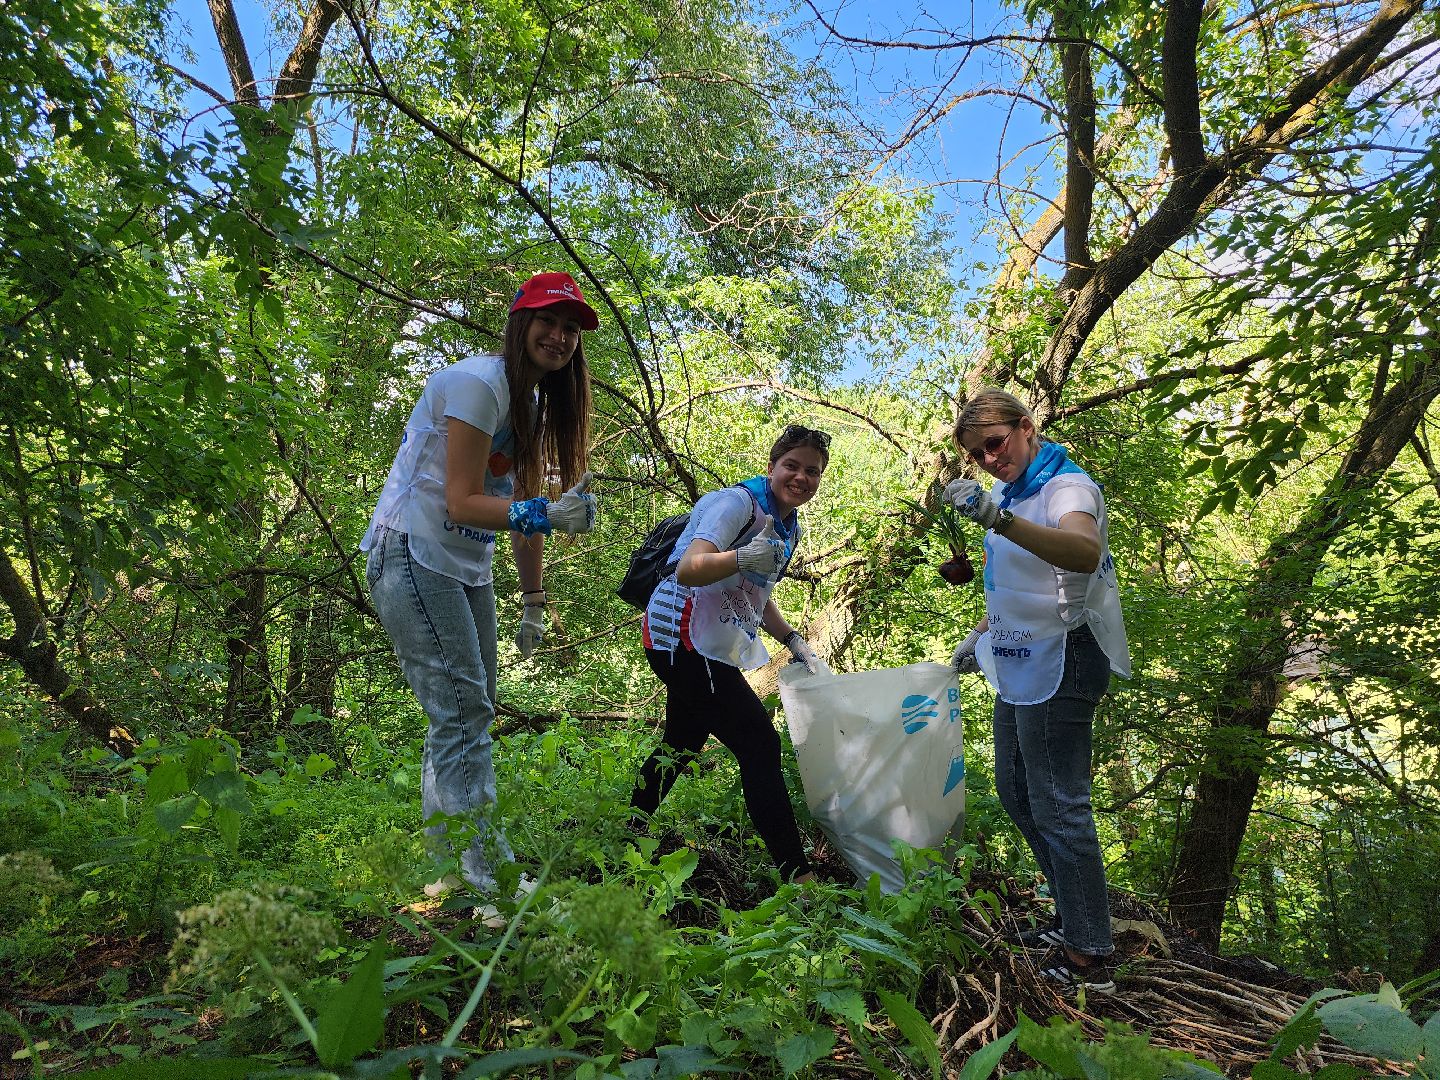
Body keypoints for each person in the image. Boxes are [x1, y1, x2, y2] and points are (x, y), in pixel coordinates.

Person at [362, 271, 600, 898]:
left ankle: (447, 870)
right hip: (412, 553)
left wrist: (534, 599)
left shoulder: (532, 407)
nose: (559, 337)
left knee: (465, 713)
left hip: (464, 566)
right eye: (547, 321)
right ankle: (492, 879)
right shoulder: (478, 385)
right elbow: (463, 501)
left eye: (570, 329)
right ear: (521, 323)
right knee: (464, 712)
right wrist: (547, 512)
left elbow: (521, 508)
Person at [945, 389, 1130, 994]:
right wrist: (980, 634)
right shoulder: (1011, 495)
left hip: (1066, 654)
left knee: (1058, 800)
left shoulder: (1065, 488)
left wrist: (997, 520)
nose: (989, 459)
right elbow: (1015, 582)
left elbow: (1083, 552)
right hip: (1018, 654)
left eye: (995, 443)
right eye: (977, 454)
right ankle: (1071, 915)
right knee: (1016, 787)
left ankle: (1090, 952)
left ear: (1026, 427)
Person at [629, 425, 830, 884]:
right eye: (792, 466)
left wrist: (793, 640)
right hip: (679, 634)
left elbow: (758, 592)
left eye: (812, 471)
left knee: (681, 741)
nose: (801, 477)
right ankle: (798, 878)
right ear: (771, 467)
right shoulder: (736, 504)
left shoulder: (789, 525)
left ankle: (626, 830)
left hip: (711, 640)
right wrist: (741, 558)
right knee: (760, 743)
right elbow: (689, 568)